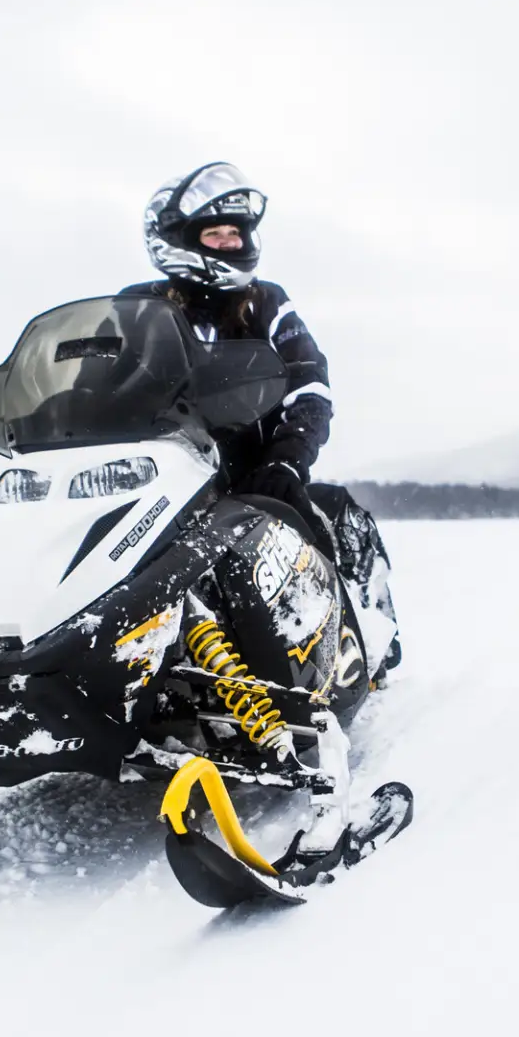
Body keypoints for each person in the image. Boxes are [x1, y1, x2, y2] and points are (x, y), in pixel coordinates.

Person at [121, 162, 400, 676]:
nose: (229, 242)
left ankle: (352, 654)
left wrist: (289, 458)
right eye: (215, 233)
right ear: (179, 239)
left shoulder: (265, 301)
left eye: (236, 232)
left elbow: (309, 380)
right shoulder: (139, 308)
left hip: (255, 473)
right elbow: (100, 382)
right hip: (158, 478)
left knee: (329, 514)